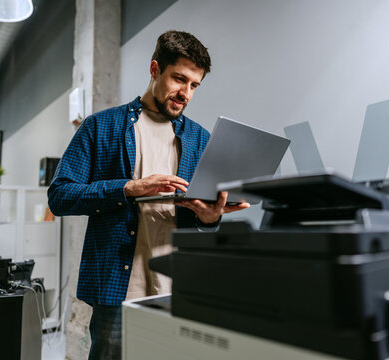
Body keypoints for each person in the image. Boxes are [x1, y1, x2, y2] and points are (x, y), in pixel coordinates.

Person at [48, 30, 249, 360]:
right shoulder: (101, 126)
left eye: (194, 85)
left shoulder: (200, 138)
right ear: (155, 69)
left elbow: (198, 214)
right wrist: (128, 188)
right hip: (118, 289)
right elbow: (60, 195)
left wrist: (209, 220)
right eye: (179, 79)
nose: (185, 93)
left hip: (177, 287)